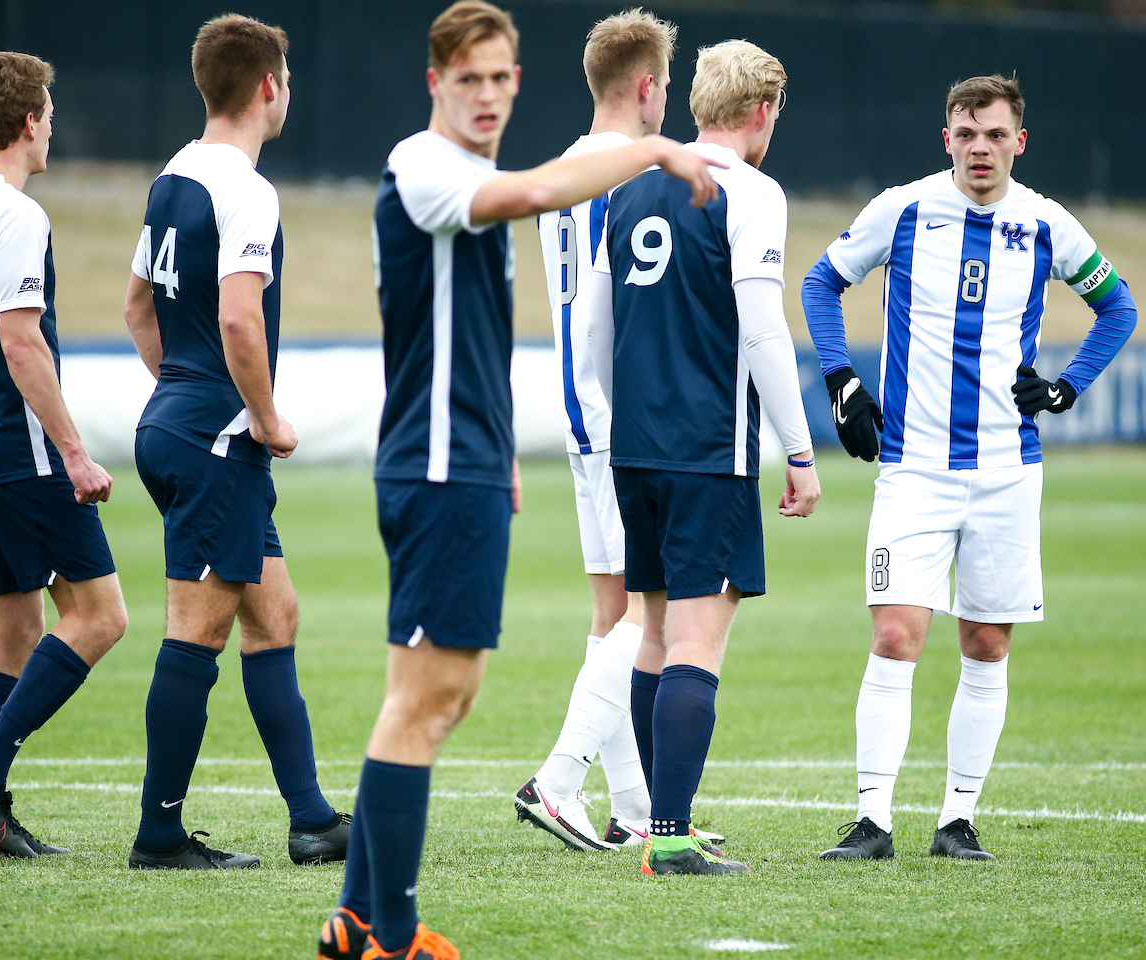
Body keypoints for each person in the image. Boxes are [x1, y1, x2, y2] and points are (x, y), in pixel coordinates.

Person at [315, 2, 723, 957]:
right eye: (471, 79)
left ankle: (358, 918)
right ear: (436, 84)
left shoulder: (471, 171)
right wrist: (657, 154)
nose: (490, 95)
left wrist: (499, 453)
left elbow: (476, 334)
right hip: (431, 462)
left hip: (465, 462)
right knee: (424, 697)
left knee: (437, 696)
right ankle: (386, 929)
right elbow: (537, 190)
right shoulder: (426, 166)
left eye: (503, 78)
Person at [805, 75, 1137, 862]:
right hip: (913, 468)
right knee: (895, 633)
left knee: (987, 644)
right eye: (965, 132)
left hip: (1006, 472)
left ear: (1019, 141)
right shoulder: (903, 208)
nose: (979, 147)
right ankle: (872, 821)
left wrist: (1067, 385)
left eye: (994, 134)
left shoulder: (1047, 224)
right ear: (945, 138)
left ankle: (957, 820)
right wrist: (840, 378)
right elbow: (822, 281)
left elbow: (1118, 306)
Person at [587, 38, 820, 876]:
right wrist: (800, 449)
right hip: (706, 450)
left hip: (636, 448)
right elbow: (761, 328)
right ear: (764, 112)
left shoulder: (627, 187)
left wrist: (622, 421)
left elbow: (595, 330)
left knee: (652, 633)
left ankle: (658, 824)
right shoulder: (752, 191)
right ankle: (673, 839)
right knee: (696, 641)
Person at [122, 13, 347, 870]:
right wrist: (261, 412)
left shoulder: (173, 176)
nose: (288, 92)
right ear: (267, 88)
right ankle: (159, 835)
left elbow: (140, 308)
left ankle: (313, 822)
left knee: (274, 613)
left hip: (183, 425)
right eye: (285, 79)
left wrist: (181, 390)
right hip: (217, 436)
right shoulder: (247, 189)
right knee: (197, 631)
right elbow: (238, 317)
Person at [0, 52, 127, 859]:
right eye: (47, 111)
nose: (52, 122)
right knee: (99, 616)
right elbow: (22, 346)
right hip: (18, 452)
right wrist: (76, 454)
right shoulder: (15, 216)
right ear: (27, 122)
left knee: (12, 626)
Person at [516, 7, 677, 854]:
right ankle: (558, 779)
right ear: (646, 86)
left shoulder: (560, 170)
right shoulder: (627, 172)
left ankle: (633, 807)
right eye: (666, 88)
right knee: (644, 620)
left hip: (583, 410)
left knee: (612, 615)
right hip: (626, 417)